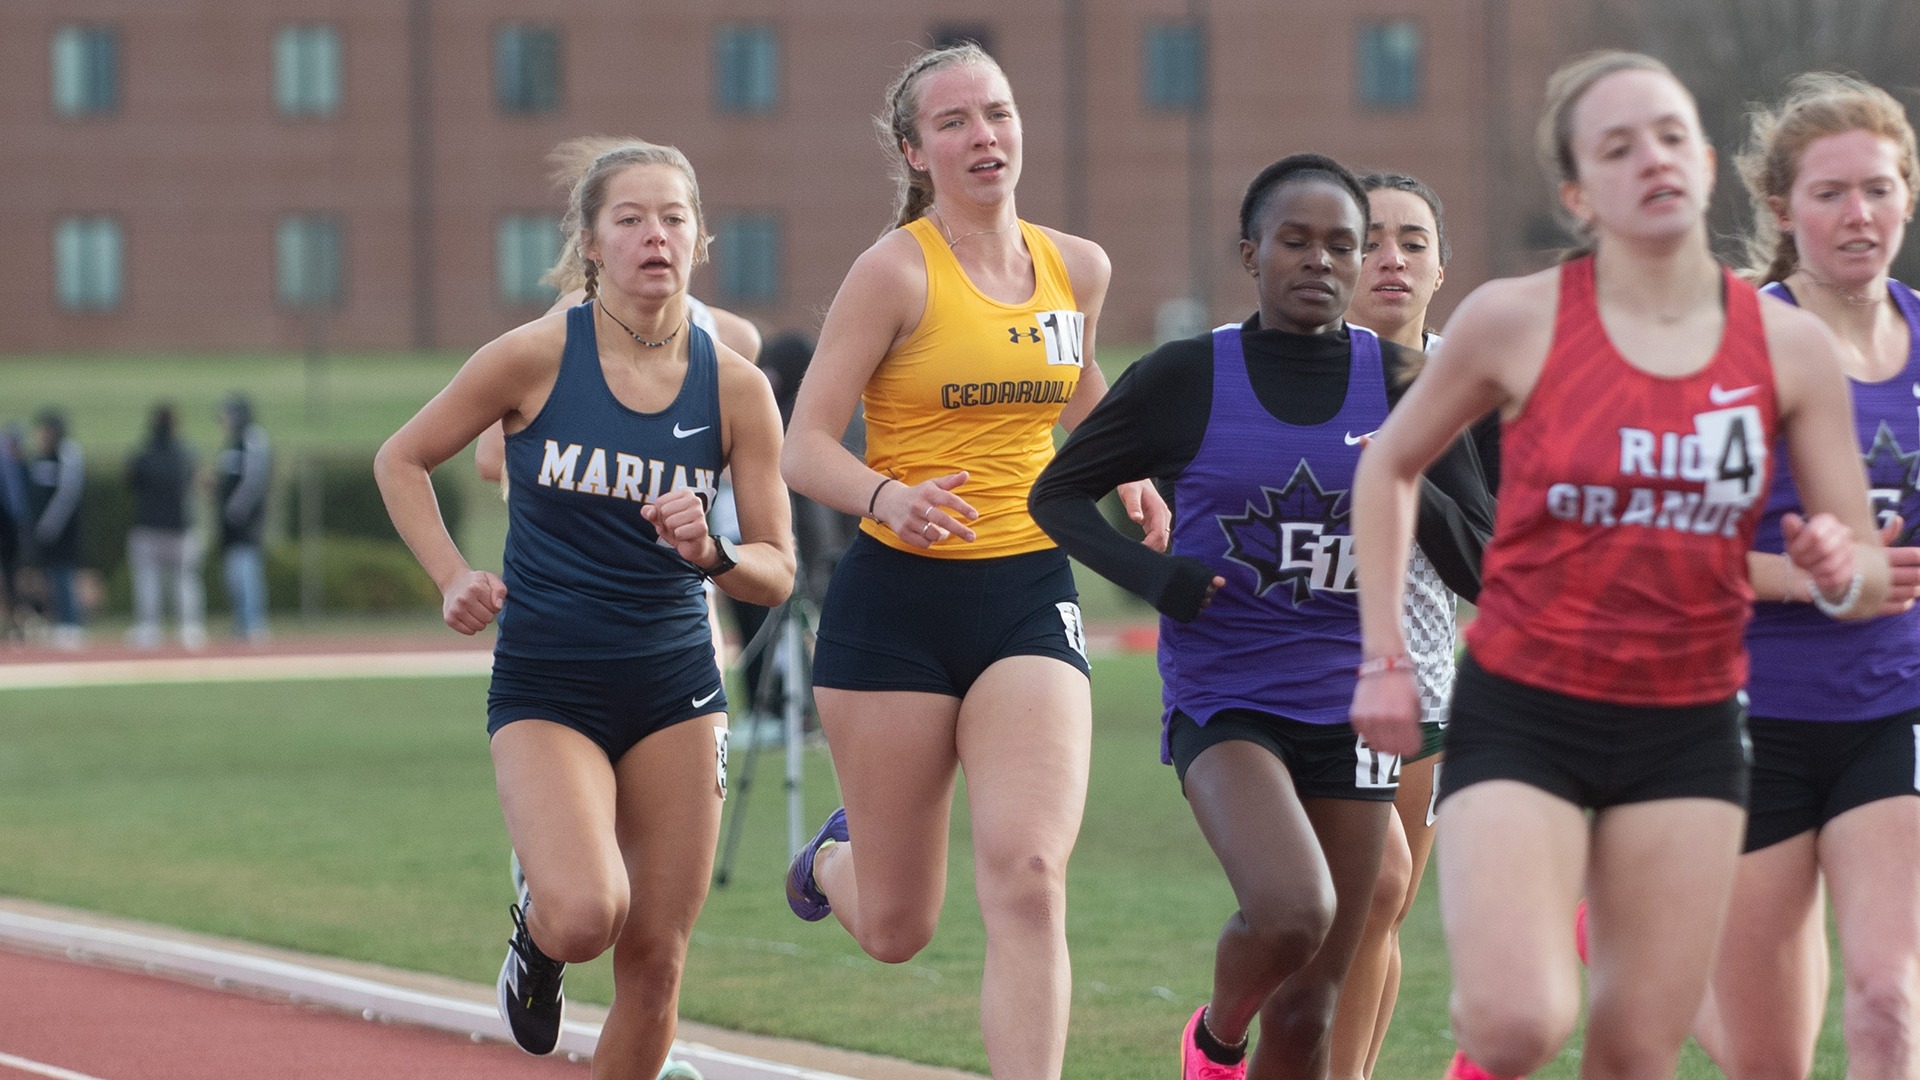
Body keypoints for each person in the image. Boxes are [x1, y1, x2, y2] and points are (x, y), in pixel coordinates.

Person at [1348, 51, 1890, 1080]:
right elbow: (1390, 470)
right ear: (1576, 190)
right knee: (1517, 1025)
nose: (1654, 159)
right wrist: (1384, 655)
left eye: (1673, 136)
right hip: (1527, 706)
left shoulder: (1787, 347)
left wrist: (1831, 560)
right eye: (1618, 145)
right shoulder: (1517, 318)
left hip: (1689, 727)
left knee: (1637, 1049)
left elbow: (1863, 573)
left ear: (1709, 162)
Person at [1031, 154, 1494, 1080]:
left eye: (1342, 245)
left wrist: (1401, 467)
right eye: (1296, 241)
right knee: (1293, 912)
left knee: (1314, 1009)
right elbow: (1059, 495)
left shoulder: (1408, 385)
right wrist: (1154, 581)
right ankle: (1216, 1039)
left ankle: (1245, 1045)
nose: (1320, 261)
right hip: (1227, 698)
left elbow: (1484, 562)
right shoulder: (1187, 376)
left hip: (1356, 708)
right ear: (1252, 253)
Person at [776, 43, 1166, 1080]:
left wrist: (1127, 469)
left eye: (996, 113)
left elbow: (1071, 374)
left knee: (1033, 874)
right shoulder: (894, 271)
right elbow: (802, 445)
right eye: (954, 123)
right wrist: (887, 495)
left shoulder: (1076, 265)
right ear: (915, 150)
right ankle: (830, 858)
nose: (984, 136)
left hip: (1029, 591)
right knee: (899, 926)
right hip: (895, 604)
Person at [375, 139, 794, 1079]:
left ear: (702, 240)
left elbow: (777, 570)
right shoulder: (532, 356)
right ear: (591, 244)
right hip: (548, 680)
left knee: (658, 958)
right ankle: (535, 936)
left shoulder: (735, 386)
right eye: (632, 219)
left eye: (675, 218)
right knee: (587, 915)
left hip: (677, 686)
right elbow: (400, 459)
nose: (657, 236)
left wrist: (713, 551)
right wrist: (451, 576)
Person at [1687, 72, 1920, 1080]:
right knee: (1765, 1058)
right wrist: (1802, 578)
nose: (1858, 214)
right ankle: (1626, 945)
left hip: (1896, 705)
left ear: (1907, 195)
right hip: (1752, 718)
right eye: (1830, 193)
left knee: (1886, 999)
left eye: (1878, 188)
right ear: (1783, 210)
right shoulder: (1732, 343)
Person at [1327, 171, 1476, 1080]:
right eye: (1370, 239)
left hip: (1429, 678)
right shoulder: (1295, 366)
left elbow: (1493, 548)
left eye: (1413, 242)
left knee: (1387, 909)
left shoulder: (1475, 379)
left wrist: (1405, 471)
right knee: (1366, 891)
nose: (1391, 259)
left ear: (1441, 268)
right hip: (1317, 677)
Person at [124, 403, 206, 650]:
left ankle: (150, 628)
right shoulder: (186, 454)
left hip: (149, 526)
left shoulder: (143, 454)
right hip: (181, 528)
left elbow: (130, 483)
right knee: (185, 580)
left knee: (148, 580)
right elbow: (199, 483)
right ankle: (189, 628)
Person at [26, 408, 87, 649]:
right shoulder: (40, 459)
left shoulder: (67, 455)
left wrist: (48, 526)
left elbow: (67, 495)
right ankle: (61, 622)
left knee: (64, 576)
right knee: (51, 578)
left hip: (63, 534)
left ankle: (72, 624)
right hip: (45, 535)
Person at [215, 394, 272, 642]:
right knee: (234, 575)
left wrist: (235, 509)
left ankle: (254, 623)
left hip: (245, 525)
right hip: (230, 526)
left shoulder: (252, 439)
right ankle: (242, 622)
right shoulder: (232, 443)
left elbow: (254, 480)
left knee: (246, 571)